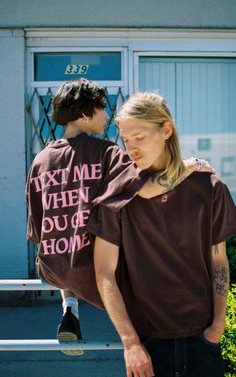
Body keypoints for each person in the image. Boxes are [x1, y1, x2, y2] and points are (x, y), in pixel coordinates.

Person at [26, 79, 211, 356]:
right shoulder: (107, 153)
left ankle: (69, 309)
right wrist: (188, 166)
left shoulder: (40, 160)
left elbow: (38, 230)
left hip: (54, 267)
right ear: (87, 113)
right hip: (94, 267)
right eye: (103, 107)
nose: (109, 115)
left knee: (69, 248)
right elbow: (146, 188)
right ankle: (140, 337)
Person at [87, 92, 236, 377]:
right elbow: (104, 273)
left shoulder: (209, 188)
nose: (131, 148)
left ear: (166, 130)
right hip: (147, 345)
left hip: (202, 340)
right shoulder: (118, 194)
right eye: (126, 139)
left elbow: (218, 260)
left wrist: (217, 327)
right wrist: (130, 343)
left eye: (139, 136)